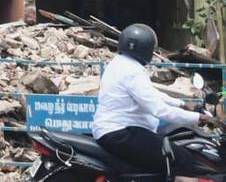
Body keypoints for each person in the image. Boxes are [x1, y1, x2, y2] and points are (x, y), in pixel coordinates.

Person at [92, 24, 217, 177]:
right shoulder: (132, 72)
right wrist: (198, 117)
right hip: (122, 133)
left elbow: (151, 94)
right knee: (183, 160)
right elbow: (159, 110)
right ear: (145, 49)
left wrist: (183, 103)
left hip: (116, 132)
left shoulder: (120, 64)